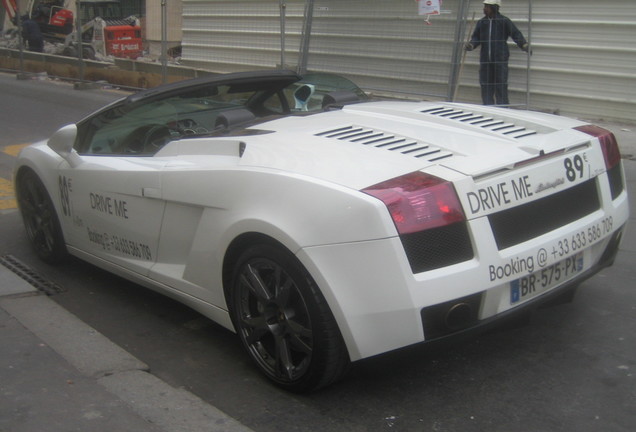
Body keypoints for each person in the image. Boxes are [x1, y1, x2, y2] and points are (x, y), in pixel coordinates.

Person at [465, 0, 529, 106]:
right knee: (485, 84)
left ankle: (503, 107)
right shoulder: (482, 22)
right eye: (485, 6)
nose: (484, 9)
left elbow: (515, 34)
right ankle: (488, 106)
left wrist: (524, 45)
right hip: (485, 59)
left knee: (501, 84)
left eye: (487, 6)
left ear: (494, 7)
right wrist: (471, 45)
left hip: (500, 58)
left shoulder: (504, 21)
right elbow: (476, 37)